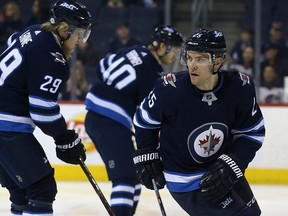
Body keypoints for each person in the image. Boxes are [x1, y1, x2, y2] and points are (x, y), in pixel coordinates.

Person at [132, 29, 265, 216]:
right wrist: (147, 153)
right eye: (190, 58)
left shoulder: (240, 88)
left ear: (217, 62)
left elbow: (252, 132)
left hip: (221, 169)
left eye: (200, 59)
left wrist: (234, 161)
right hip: (184, 177)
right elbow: (143, 120)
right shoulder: (169, 89)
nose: (192, 65)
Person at [0, 0, 91, 215]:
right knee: (42, 190)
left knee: (21, 193)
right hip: (7, 127)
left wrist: (63, 138)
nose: (81, 40)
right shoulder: (53, 58)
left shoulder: (31, 32)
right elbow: (42, 109)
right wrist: (64, 137)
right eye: (79, 33)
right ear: (63, 29)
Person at [84, 25, 183, 216]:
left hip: (99, 118)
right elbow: (147, 114)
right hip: (109, 121)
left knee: (134, 178)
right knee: (126, 178)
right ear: (162, 46)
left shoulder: (133, 50)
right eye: (174, 49)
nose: (175, 55)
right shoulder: (152, 71)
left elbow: (103, 66)